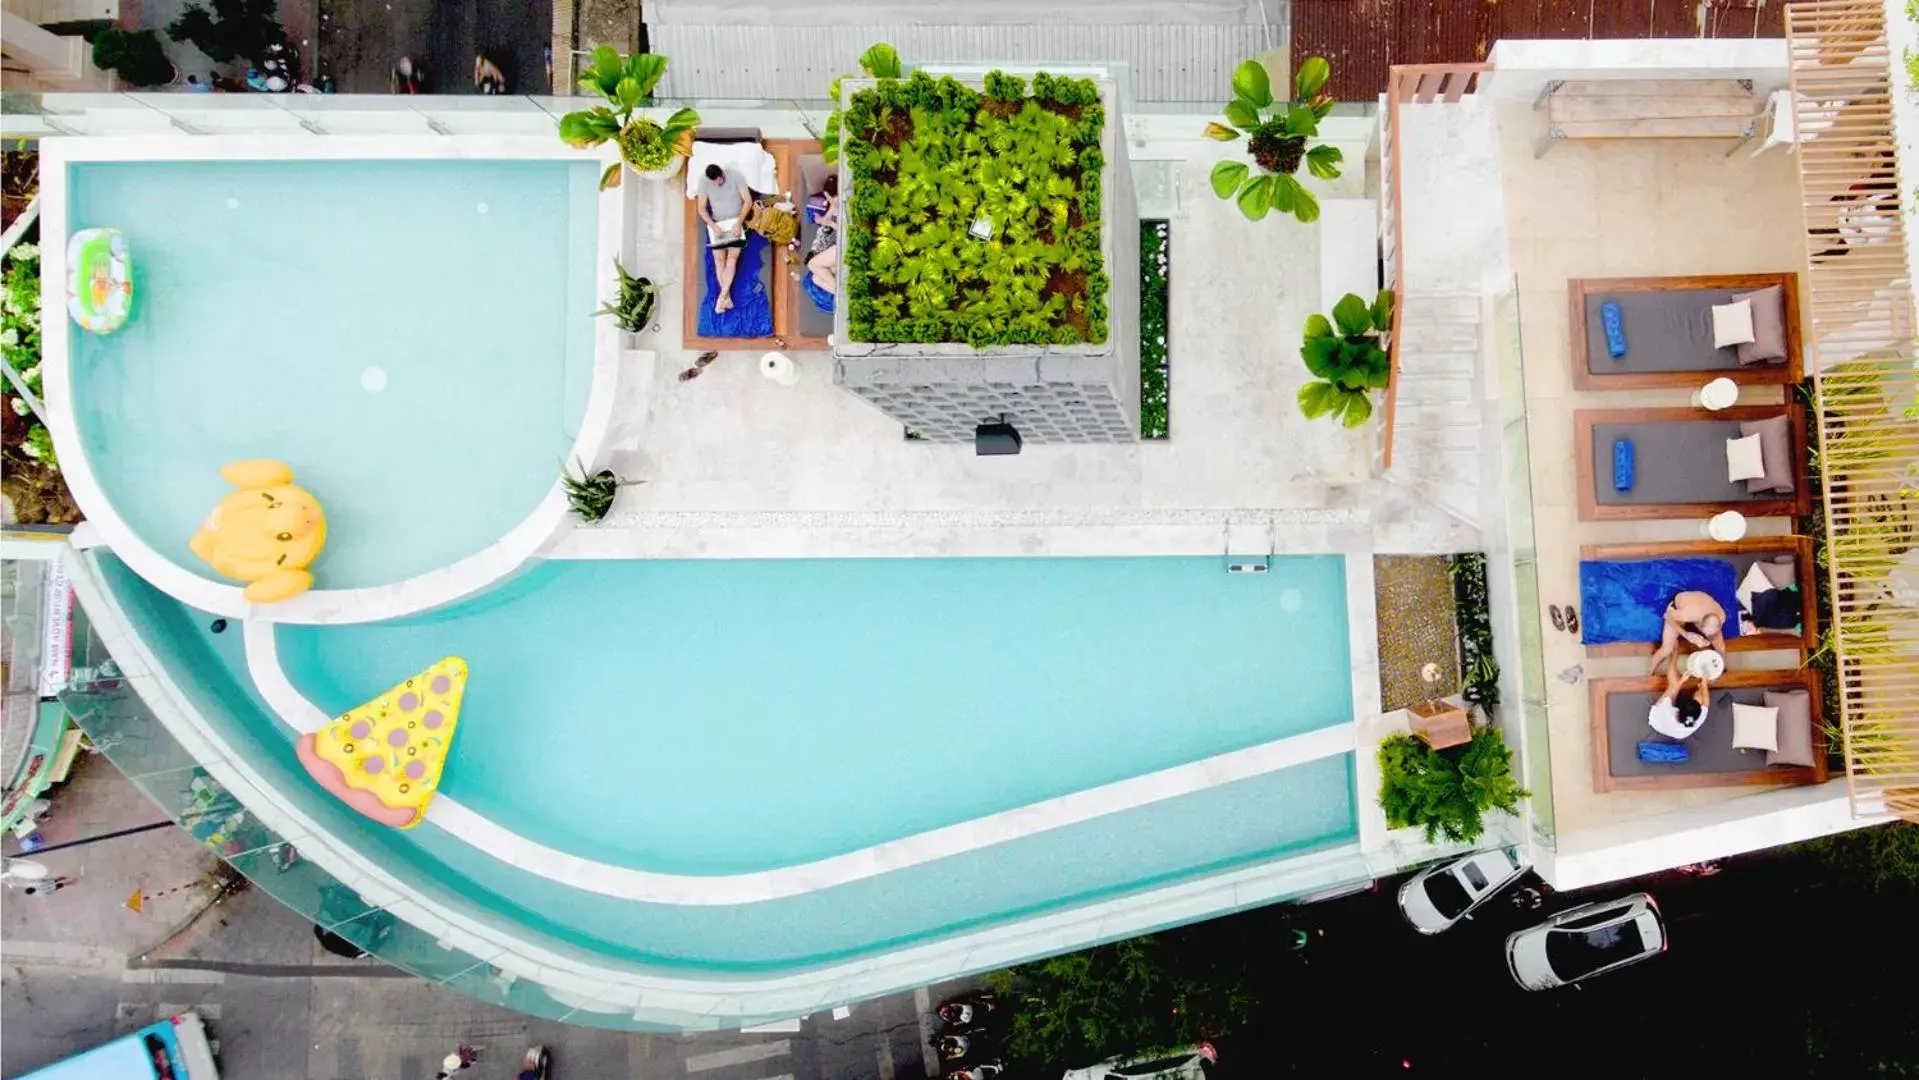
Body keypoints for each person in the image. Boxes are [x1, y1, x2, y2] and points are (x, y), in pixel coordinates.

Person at [696, 163, 750, 314]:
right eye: (713, 182)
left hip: (735, 223)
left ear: (722, 174)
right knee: (719, 261)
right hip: (717, 225)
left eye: (718, 180)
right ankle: (725, 298)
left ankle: (722, 297)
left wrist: (739, 222)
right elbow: (701, 208)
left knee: (732, 259)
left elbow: (748, 201)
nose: (716, 184)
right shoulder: (704, 182)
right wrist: (713, 226)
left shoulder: (735, 176)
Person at [1647, 591, 1725, 695]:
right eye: (1707, 634)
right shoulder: (1688, 614)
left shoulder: (1721, 616)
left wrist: (1708, 641)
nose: (1708, 636)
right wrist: (1686, 634)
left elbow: (1717, 640)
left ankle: (1717, 672)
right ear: (1701, 625)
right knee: (1667, 649)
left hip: (1702, 607)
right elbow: (1667, 616)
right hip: (1677, 609)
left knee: (1721, 647)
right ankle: (1648, 673)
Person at [805, 174, 841, 294]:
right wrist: (825, 219)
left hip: (842, 247)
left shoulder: (843, 206)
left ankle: (840, 292)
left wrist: (830, 223)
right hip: (836, 247)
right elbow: (826, 220)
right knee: (816, 279)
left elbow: (846, 233)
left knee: (812, 265)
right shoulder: (835, 204)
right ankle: (838, 291)